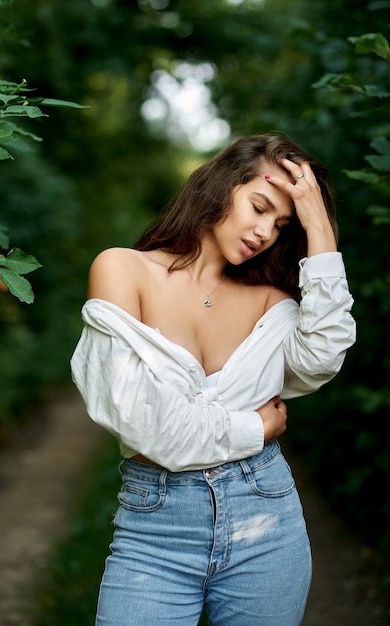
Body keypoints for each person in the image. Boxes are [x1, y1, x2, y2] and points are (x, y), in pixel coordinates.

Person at [70, 133, 356, 626]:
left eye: (284, 224)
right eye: (260, 207)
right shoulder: (123, 269)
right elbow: (148, 427)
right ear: (223, 186)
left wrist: (320, 229)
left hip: (267, 521)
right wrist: (254, 429)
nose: (266, 232)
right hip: (155, 531)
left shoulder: (273, 301)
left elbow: (323, 356)